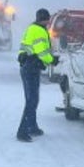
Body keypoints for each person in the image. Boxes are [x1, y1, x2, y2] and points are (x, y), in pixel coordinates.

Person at [16, 8, 57, 141]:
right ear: (45, 19)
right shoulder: (39, 31)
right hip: (31, 68)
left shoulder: (31, 28)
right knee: (32, 100)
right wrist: (52, 60)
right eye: (48, 19)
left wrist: (22, 57)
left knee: (33, 99)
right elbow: (42, 52)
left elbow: (24, 47)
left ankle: (32, 126)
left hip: (27, 66)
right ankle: (22, 132)